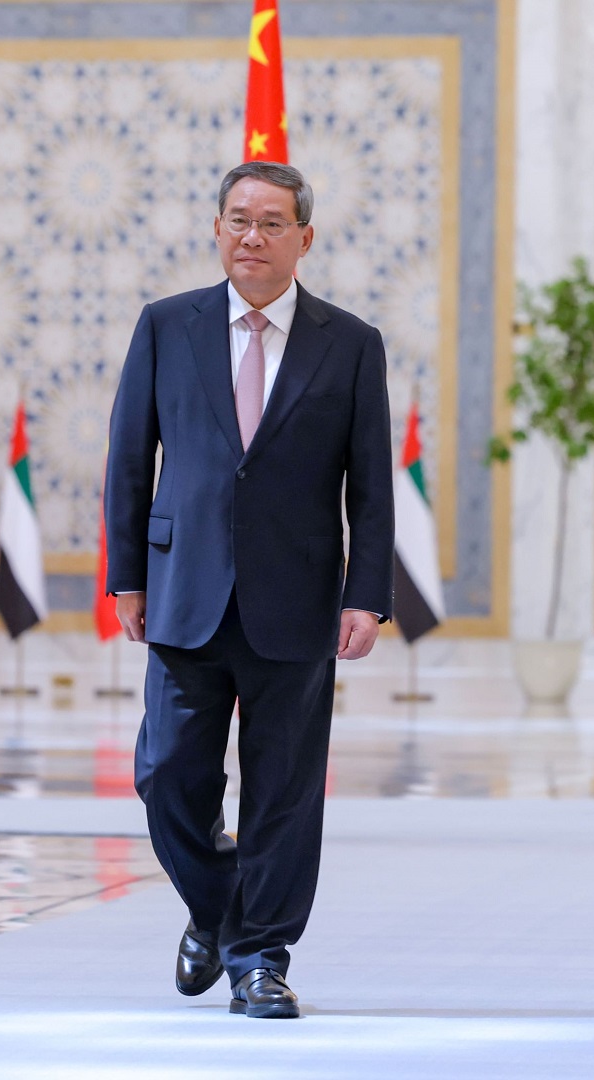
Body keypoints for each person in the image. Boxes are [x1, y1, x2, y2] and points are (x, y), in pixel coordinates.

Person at [104, 160, 394, 1020]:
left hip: (297, 601)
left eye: (271, 223)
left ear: (305, 237)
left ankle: (261, 956)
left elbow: (371, 488)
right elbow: (129, 459)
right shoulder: (166, 326)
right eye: (237, 220)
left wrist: (365, 595)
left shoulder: (350, 343)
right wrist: (126, 577)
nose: (251, 237)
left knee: (285, 791)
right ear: (217, 229)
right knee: (166, 775)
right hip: (182, 589)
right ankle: (217, 907)